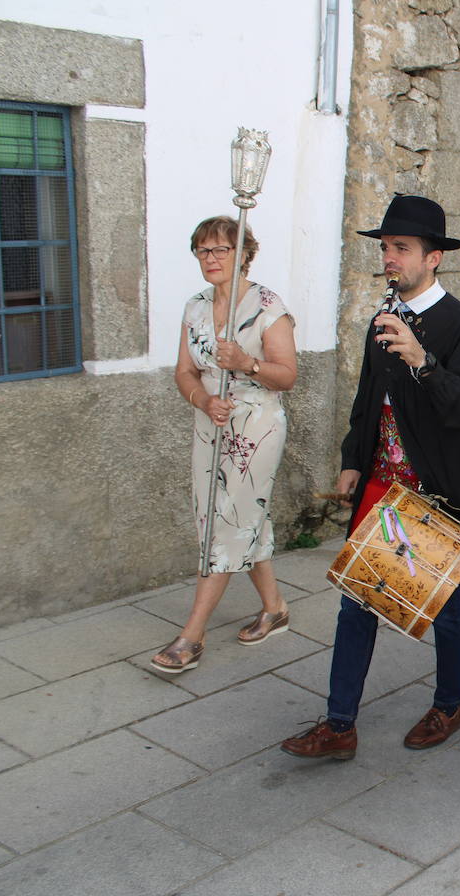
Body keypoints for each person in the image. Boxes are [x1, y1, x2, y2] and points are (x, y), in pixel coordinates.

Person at [282, 195, 460, 760]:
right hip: (383, 488)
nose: (390, 258)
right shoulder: (383, 317)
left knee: (443, 606)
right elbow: (368, 399)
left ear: (434, 259)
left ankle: (450, 704)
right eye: (386, 248)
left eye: (401, 248)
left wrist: (422, 361)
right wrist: (354, 459)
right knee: (357, 601)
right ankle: (339, 724)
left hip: (436, 492)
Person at [151, 217, 298, 674]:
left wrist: (247, 363)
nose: (211, 259)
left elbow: (288, 375)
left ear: (244, 253)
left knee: (228, 522)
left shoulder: (269, 306)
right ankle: (274, 608)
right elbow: (183, 371)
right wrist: (203, 399)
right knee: (226, 517)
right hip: (210, 423)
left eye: (220, 250)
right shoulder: (195, 307)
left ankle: (190, 636)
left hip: (257, 428)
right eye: (202, 251)